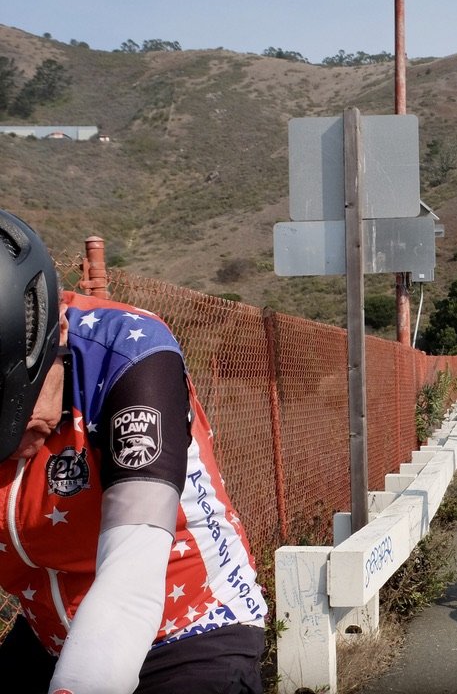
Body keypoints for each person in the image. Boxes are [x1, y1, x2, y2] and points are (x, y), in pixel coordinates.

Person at [0, 209, 267, 694]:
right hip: (51, 632)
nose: (11, 441)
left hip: (187, 624)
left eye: (20, 405)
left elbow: (131, 580)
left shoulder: (129, 354)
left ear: (57, 333)